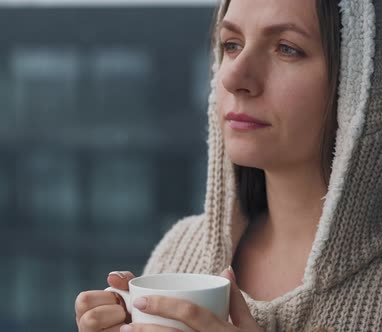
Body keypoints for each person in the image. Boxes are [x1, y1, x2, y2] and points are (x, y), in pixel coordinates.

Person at [75, 0, 382, 330]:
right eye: (231, 45)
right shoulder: (180, 249)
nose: (233, 76)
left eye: (287, 48)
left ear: (364, 79)